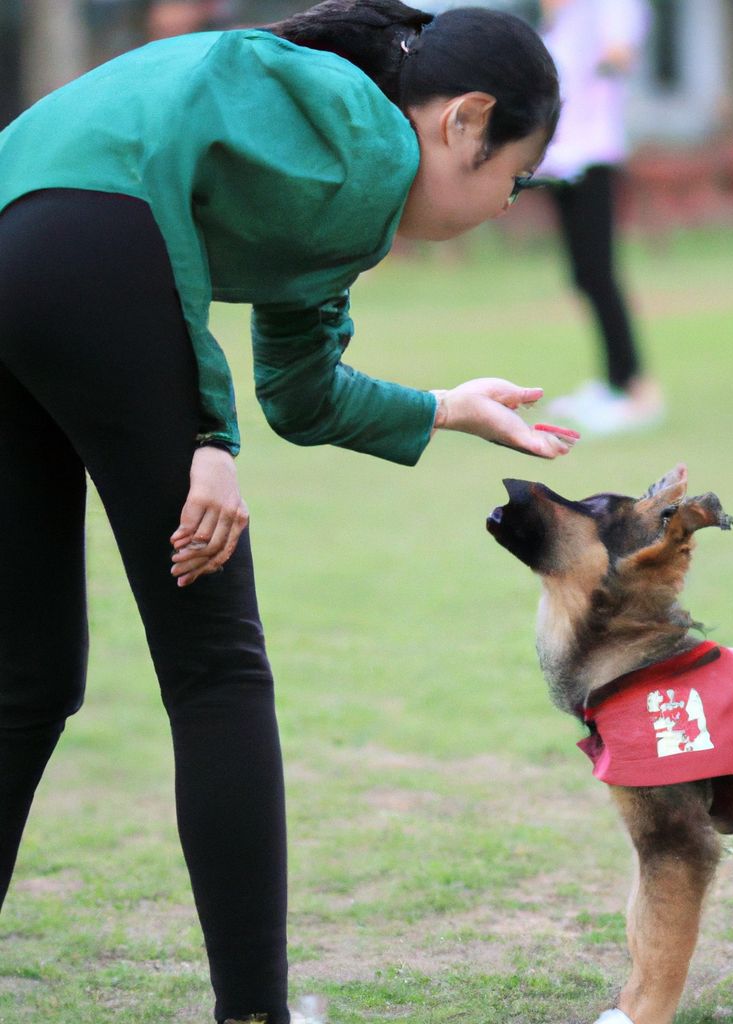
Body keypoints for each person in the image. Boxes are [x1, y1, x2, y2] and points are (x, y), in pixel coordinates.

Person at [0, 3, 566, 1022]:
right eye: (511, 176)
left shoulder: (334, 179)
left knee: (26, 674)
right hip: (90, 238)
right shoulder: (360, 135)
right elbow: (153, 165)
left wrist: (446, 407)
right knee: (217, 667)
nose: (505, 205)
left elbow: (302, 392)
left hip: (15, 250)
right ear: (463, 121)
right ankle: (252, 1011)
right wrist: (206, 436)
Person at [536, 0, 664, 436]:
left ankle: (636, 387)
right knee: (583, 275)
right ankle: (612, 382)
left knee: (599, 271)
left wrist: (608, 53)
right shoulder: (561, 21)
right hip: (558, 163)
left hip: (592, 157)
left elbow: (619, 53)